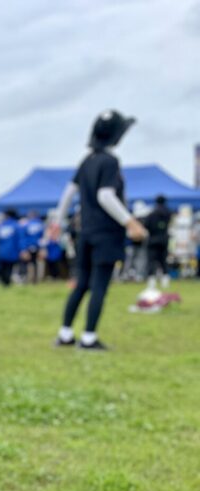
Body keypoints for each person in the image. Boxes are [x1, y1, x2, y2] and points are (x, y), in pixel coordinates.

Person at [53, 110, 148, 351]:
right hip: (106, 234)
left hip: (85, 232)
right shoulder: (109, 161)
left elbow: (68, 193)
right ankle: (88, 338)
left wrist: (57, 222)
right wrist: (130, 222)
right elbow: (105, 195)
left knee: (81, 283)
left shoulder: (87, 160)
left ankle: (65, 334)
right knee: (99, 286)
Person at [143, 194, 173, 279]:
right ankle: (165, 279)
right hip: (164, 239)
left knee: (151, 261)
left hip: (153, 240)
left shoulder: (152, 213)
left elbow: (146, 225)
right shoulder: (168, 213)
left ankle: (151, 281)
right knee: (163, 260)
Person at [0, 209, 21, 286]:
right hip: (12, 251)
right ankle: (7, 283)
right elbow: (19, 239)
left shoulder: (0, 226)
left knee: (2, 268)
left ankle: (4, 283)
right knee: (9, 268)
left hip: (1, 251)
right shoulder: (16, 226)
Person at [17, 210, 45, 284]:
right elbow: (43, 238)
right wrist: (42, 248)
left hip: (28, 246)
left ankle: (24, 278)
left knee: (25, 263)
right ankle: (35, 279)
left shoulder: (26, 224)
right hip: (37, 246)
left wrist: (23, 249)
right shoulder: (41, 224)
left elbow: (23, 238)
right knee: (35, 263)